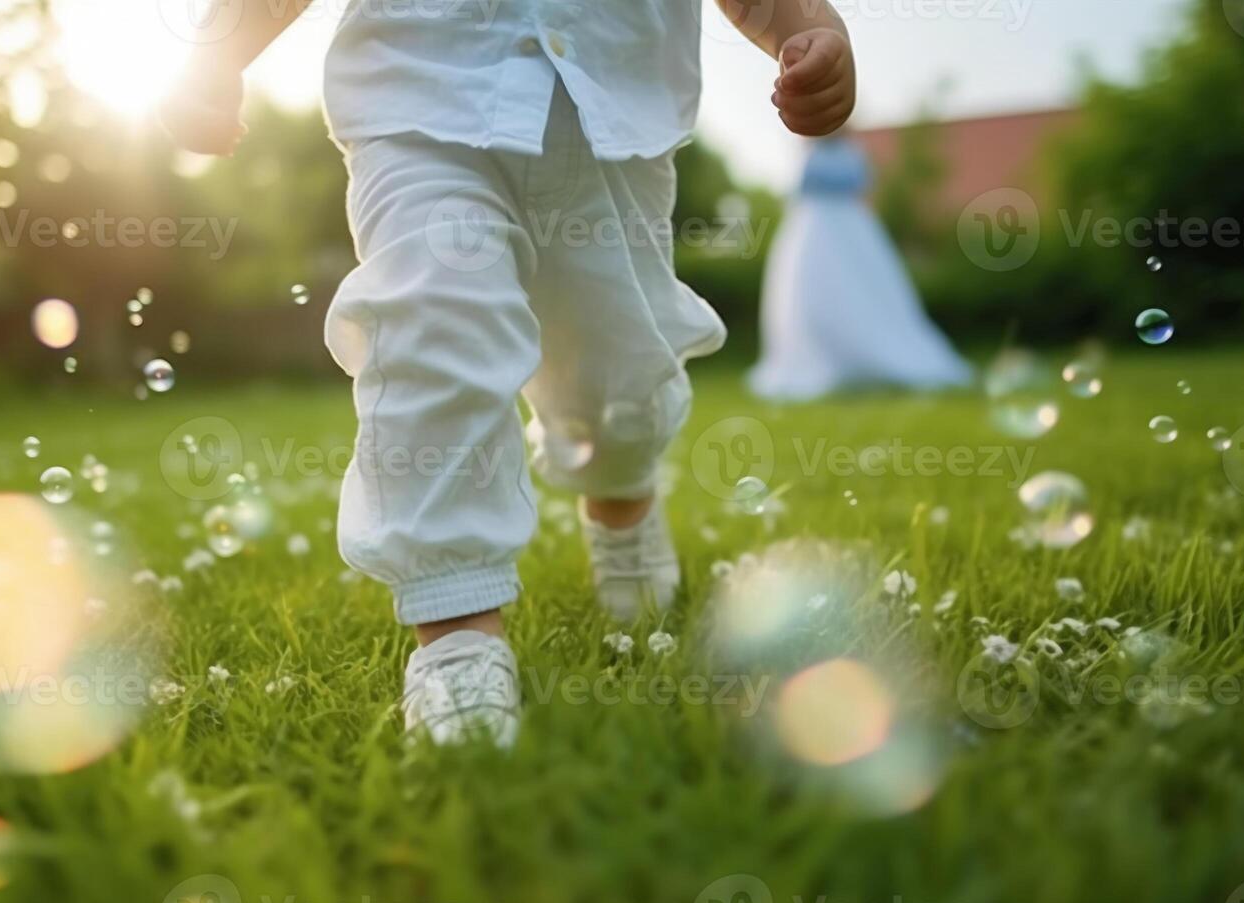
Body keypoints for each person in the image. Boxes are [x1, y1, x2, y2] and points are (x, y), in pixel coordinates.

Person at [161, 0, 856, 747]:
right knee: (431, 319)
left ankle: (622, 501)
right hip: (419, 100)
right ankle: (458, 635)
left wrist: (807, 32)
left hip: (613, 125)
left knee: (615, 371)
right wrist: (213, 54)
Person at [748, 135, 973, 401]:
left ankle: (869, 359)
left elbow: (859, 184)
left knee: (861, 293)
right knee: (814, 295)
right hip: (816, 231)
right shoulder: (811, 150)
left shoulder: (850, 150)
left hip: (847, 229)